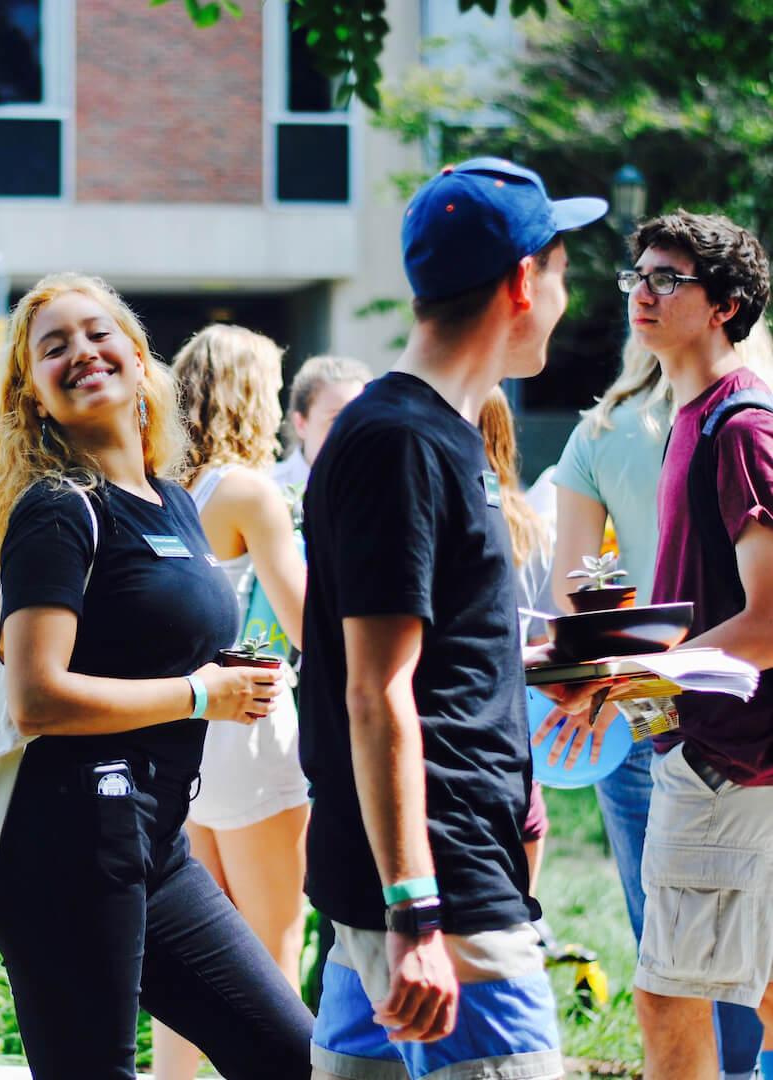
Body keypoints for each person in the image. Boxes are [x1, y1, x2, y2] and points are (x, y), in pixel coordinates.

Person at [0, 273, 313, 1080]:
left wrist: (221, 676)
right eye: (54, 348)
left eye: (98, 333)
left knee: (292, 1054)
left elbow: (146, 643)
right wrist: (198, 695)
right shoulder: (56, 508)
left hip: (155, 844)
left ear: (140, 357)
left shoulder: (174, 503)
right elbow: (36, 695)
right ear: (33, 395)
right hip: (64, 842)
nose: (83, 353)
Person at [298, 157, 607, 1080]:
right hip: (441, 899)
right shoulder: (403, 441)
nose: (564, 291)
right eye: (559, 266)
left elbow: (436, 661)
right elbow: (373, 689)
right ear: (523, 280)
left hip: (414, 882)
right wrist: (416, 914)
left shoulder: (432, 433)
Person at [546, 325, 773, 1080]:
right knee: (740, 952)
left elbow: (578, 595)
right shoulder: (743, 411)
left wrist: (617, 680)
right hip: (727, 713)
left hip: (661, 708)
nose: (644, 295)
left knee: (672, 962)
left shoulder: (606, 431)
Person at [613, 212, 773, 1080]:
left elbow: (769, 623)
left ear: (727, 305)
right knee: (762, 985)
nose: (643, 291)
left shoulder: (742, 426)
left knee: (669, 994)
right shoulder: (690, 417)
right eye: (637, 274)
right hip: (723, 753)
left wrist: (641, 675)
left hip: (728, 758)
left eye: (668, 279)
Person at [151, 324, 310, 1080]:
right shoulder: (251, 491)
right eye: (275, 391)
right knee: (275, 940)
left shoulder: (159, 485)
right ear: (250, 395)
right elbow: (306, 619)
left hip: (181, 728)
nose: (280, 409)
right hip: (250, 722)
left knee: (191, 965)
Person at [478, 386, 553, 895]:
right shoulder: (531, 525)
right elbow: (549, 635)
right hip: (520, 737)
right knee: (518, 907)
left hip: (459, 736)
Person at [273, 354, 372, 492]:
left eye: (360, 419)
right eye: (337, 419)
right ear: (301, 424)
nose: (353, 431)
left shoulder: (382, 488)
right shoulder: (268, 488)